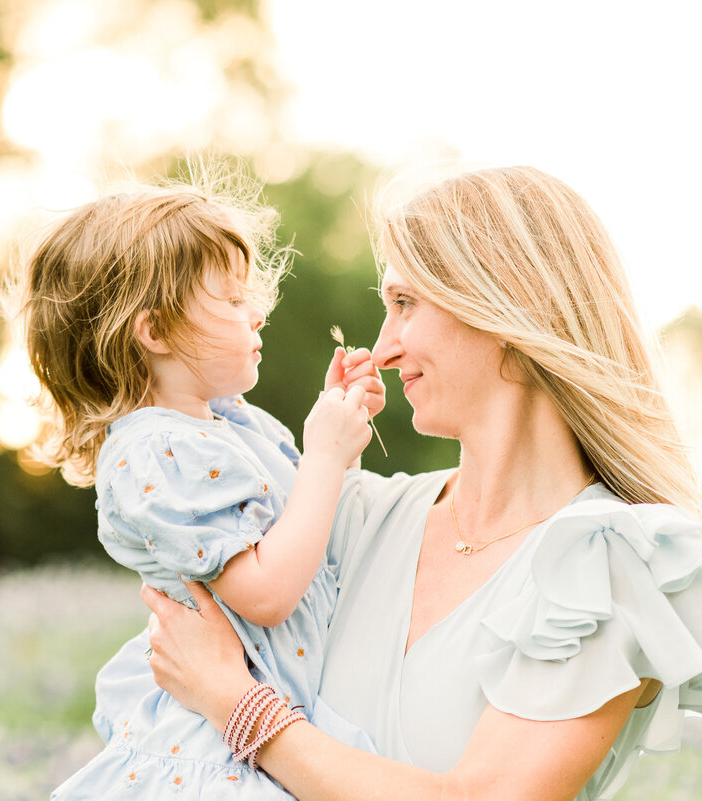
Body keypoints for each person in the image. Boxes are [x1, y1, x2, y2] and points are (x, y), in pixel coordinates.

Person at [139, 164, 702, 801]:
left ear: (506, 303)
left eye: (405, 304)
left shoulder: (611, 563)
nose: (382, 349)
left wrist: (239, 706)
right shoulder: (356, 516)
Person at [2, 178, 386, 799]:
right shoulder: (154, 453)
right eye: (232, 301)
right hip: (221, 751)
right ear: (154, 331)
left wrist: (335, 434)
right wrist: (324, 455)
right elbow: (264, 593)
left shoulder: (234, 422)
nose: (257, 313)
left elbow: (311, 529)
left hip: (280, 709)